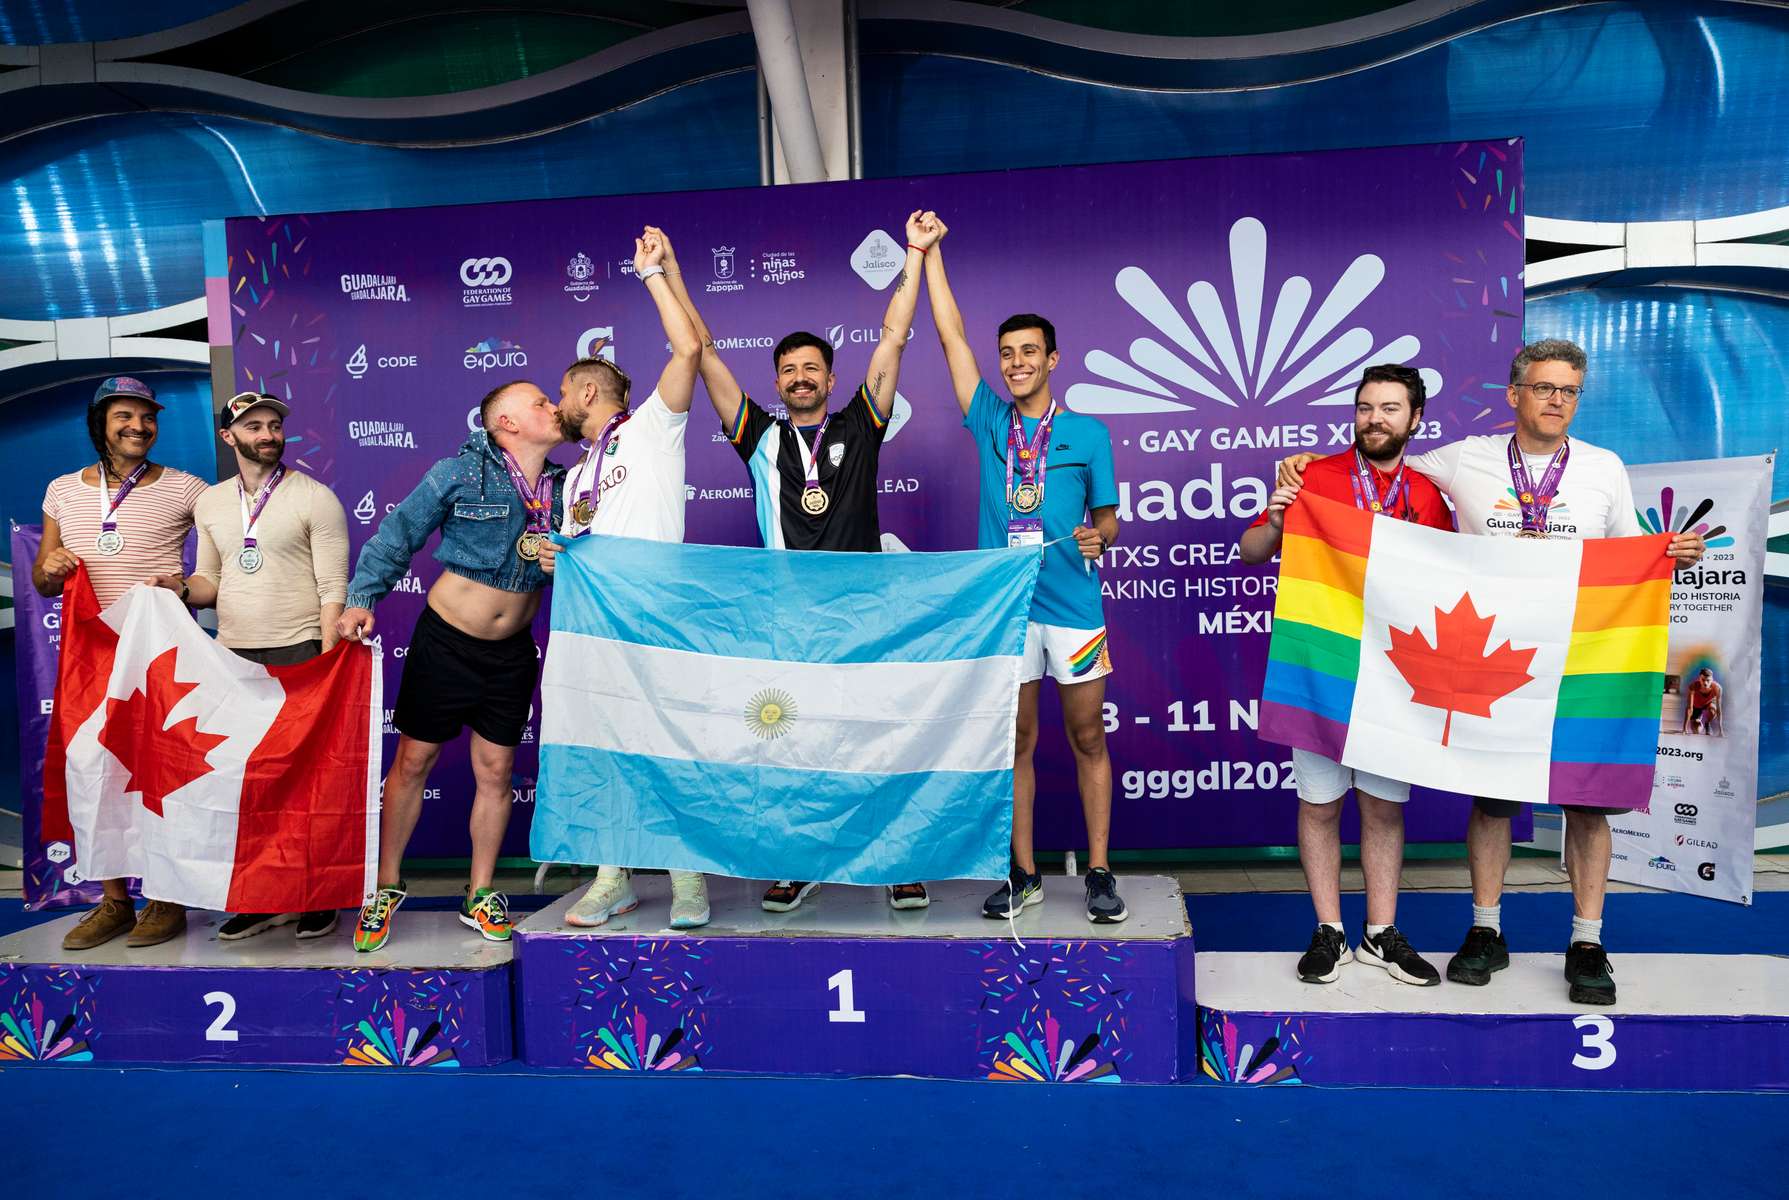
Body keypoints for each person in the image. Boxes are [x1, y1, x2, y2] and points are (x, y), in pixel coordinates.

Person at [1279, 339, 1706, 1004]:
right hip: (1492, 661)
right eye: (1542, 388)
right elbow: (1381, 459)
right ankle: (1485, 931)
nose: (1555, 401)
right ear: (1514, 395)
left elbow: (1629, 554)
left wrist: (1669, 555)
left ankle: (1587, 940)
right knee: (1493, 799)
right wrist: (1307, 469)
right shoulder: (1462, 459)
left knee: (1587, 802)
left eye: (1567, 390)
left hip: (1580, 655)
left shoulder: (1604, 467)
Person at [654, 215, 938, 913]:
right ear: (777, 382)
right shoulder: (756, 436)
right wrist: (668, 272)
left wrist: (914, 254)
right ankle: (799, 862)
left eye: (812, 368)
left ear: (831, 377)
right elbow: (705, 351)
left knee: (875, 741)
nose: (801, 377)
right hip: (790, 618)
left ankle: (893, 862)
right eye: (789, 370)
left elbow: (893, 337)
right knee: (795, 748)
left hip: (865, 615)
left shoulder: (860, 425)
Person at [922, 213, 1128, 924]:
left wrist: (1097, 537)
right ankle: (1023, 872)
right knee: (1015, 741)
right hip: (1005, 611)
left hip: (1073, 607)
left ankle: (1099, 871)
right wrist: (931, 253)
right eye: (1006, 353)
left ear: (1052, 359)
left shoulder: (1086, 432)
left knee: (1086, 738)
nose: (1014, 363)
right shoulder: (987, 417)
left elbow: (1108, 518)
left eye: (1028, 352)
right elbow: (950, 336)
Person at [335, 378, 567, 952]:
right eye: (540, 402)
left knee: (496, 772)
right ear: (506, 422)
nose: (553, 407)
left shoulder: (568, 486)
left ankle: (480, 892)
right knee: (414, 761)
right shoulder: (460, 472)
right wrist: (362, 597)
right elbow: (397, 533)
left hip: (512, 650)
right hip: (446, 642)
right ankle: (385, 886)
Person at [1239, 365, 1451, 985]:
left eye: (1389, 408)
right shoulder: (1315, 475)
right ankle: (1328, 930)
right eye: (1364, 407)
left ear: (1415, 419)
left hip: (1396, 673)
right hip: (1321, 665)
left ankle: (1380, 933)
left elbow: (1451, 580)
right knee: (1320, 804)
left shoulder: (1431, 494)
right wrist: (1277, 519)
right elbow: (1252, 551)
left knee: (1383, 808)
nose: (1374, 419)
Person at [536, 229, 708, 930]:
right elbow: (580, 548)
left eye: (561, 397)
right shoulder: (573, 474)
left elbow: (689, 350)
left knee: (667, 743)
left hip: (657, 618)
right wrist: (559, 557)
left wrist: (654, 275)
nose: (557, 408)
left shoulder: (652, 429)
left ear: (586, 390)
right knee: (605, 747)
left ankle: (687, 878)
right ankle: (612, 878)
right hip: (593, 628)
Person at [148, 390, 350, 940]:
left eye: (274, 426)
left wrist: (329, 665)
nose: (267, 435)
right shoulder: (210, 503)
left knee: (306, 782)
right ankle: (263, 897)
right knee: (248, 784)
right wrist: (180, 588)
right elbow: (212, 582)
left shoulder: (315, 497)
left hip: (301, 652)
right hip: (233, 657)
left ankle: (316, 895)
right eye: (254, 427)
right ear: (229, 436)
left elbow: (334, 586)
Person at [35, 376, 209, 951]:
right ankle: (114, 900)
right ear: (100, 425)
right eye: (124, 417)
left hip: (158, 649)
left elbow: (219, 567)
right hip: (91, 655)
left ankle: (167, 898)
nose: (138, 426)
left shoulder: (187, 489)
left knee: (163, 770)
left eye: (146, 416)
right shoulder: (61, 490)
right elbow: (39, 580)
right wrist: (53, 567)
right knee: (91, 767)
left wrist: (181, 583)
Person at [1682, 667, 1722, 735]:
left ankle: (1707, 723)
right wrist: (1684, 728)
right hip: (1696, 706)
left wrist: (1721, 731)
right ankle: (1697, 719)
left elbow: (1719, 710)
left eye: (1708, 680)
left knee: (1713, 710)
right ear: (1699, 679)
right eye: (1703, 680)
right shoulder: (1693, 686)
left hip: (1708, 704)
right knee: (1696, 731)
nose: (1705, 683)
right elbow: (1689, 708)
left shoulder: (1717, 688)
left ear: (1712, 680)